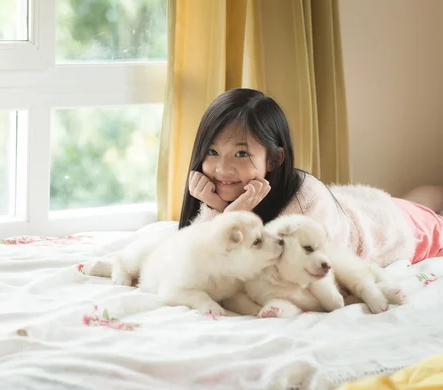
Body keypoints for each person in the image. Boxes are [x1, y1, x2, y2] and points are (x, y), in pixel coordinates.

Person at [179, 88, 443, 266]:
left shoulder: (305, 205)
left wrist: (232, 217)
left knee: (425, 218)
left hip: (388, 229)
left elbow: (278, 277)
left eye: (241, 154)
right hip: (355, 205)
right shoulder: (219, 197)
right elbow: (199, 262)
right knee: (416, 199)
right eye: (212, 151)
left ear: (273, 159)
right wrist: (218, 211)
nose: (222, 169)